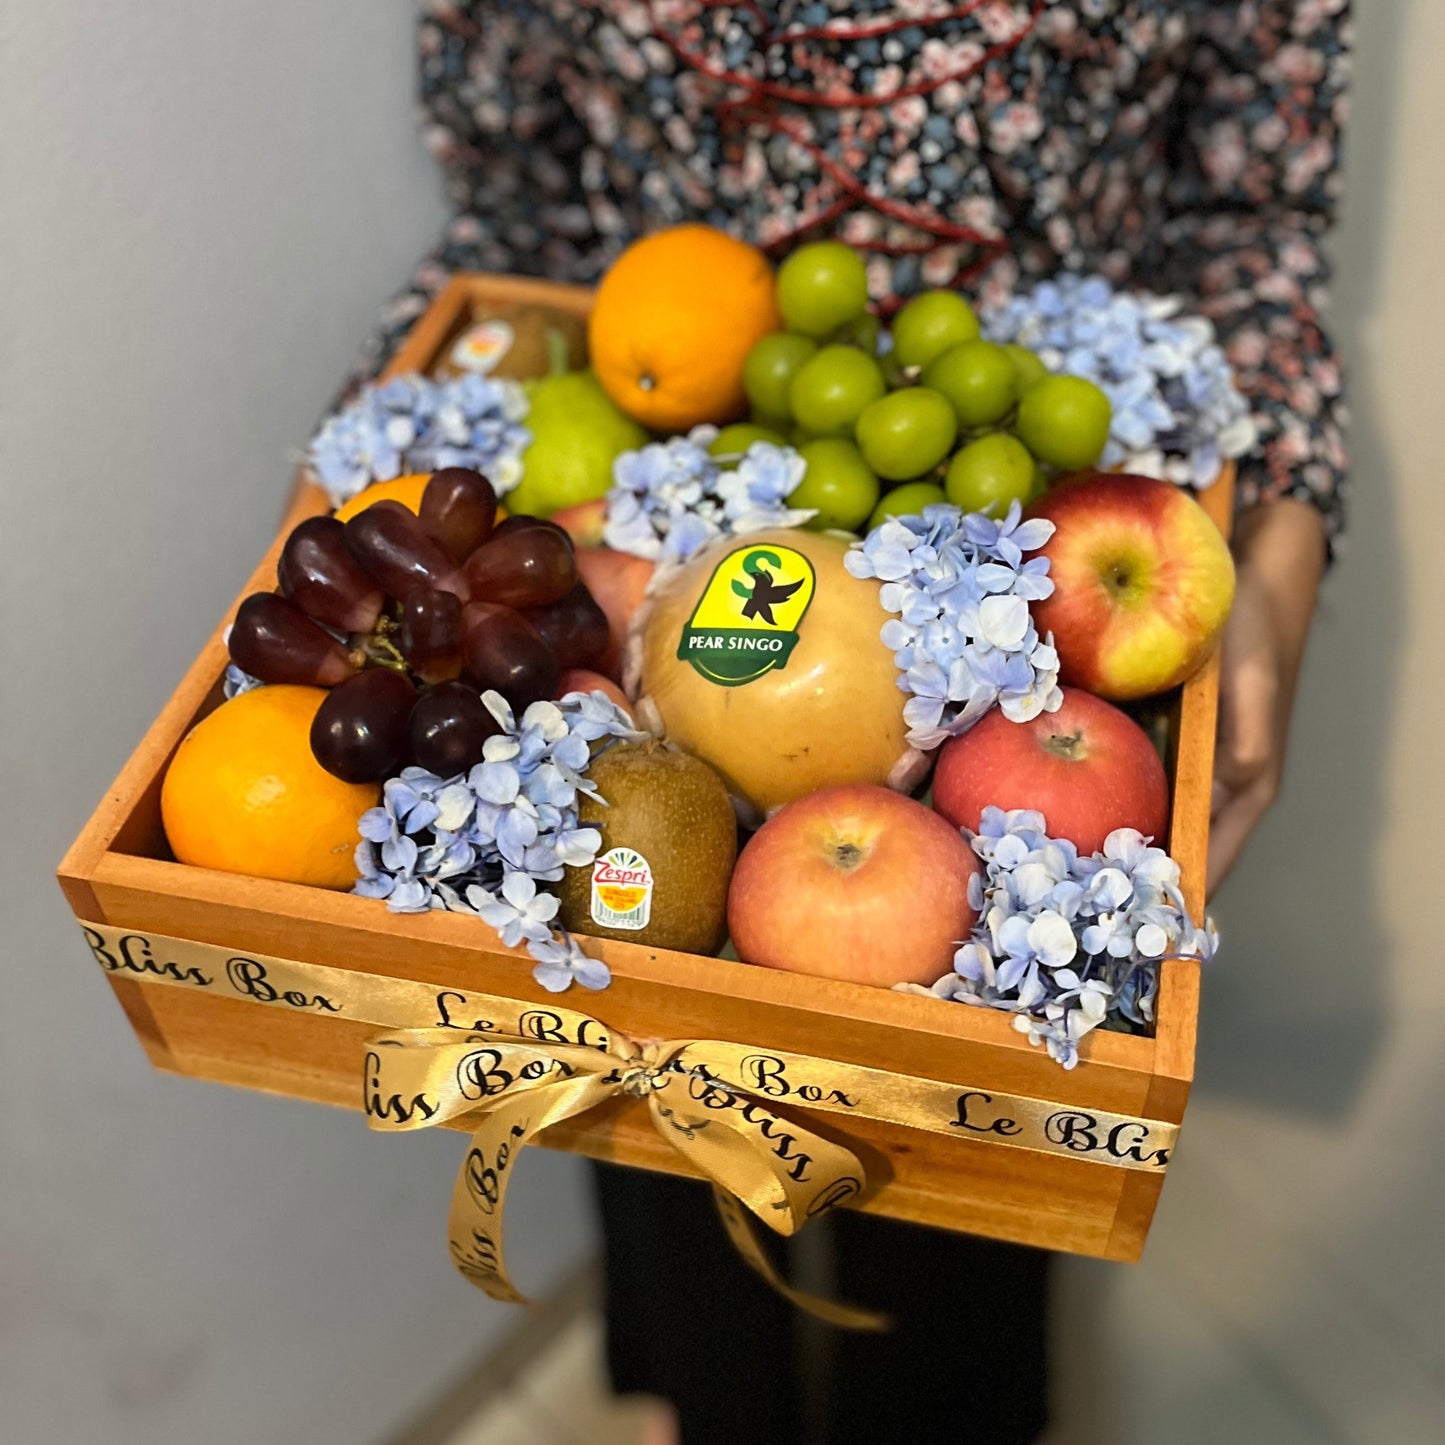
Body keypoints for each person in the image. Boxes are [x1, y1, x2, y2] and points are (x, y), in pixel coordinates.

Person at [351, 4, 1350, 1439]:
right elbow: (511, 215)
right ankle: (706, 1399)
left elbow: (1253, 228)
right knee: (633, 980)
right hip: (643, 517)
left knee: (960, 1195)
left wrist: (1280, 545)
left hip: (1054, 567)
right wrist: (373, 472)